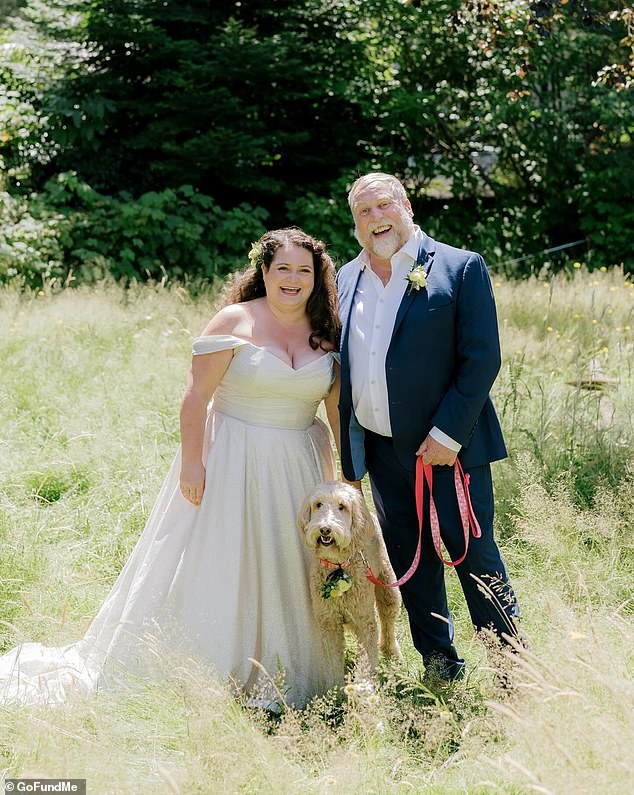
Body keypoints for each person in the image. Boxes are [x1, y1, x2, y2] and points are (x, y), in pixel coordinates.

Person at [0, 227, 342, 708]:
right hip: (231, 458)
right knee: (226, 559)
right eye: (282, 268)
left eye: (303, 270)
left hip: (297, 467)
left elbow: (336, 413)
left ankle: (281, 668)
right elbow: (195, 397)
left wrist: (346, 481)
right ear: (263, 271)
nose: (292, 279)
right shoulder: (235, 320)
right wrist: (193, 464)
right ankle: (207, 668)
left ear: (316, 276)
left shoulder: (326, 331)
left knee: (288, 561)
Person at [336, 172, 520, 681]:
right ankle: (440, 662)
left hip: (448, 451)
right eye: (364, 213)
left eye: (383, 206)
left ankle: (513, 671)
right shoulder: (345, 279)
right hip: (381, 451)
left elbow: (481, 359)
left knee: (474, 556)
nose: (376, 219)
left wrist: (447, 434)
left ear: (407, 205)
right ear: (354, 225)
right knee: (409, 560)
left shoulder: (460, 268)